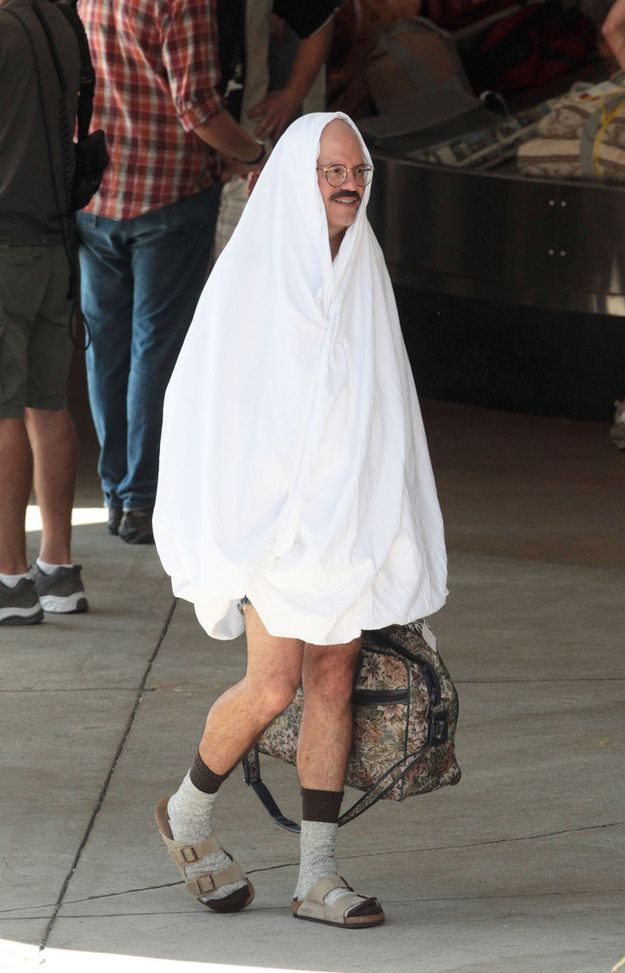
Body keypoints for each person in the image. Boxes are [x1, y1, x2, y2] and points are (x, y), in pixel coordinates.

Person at [152, 113, 448, 928]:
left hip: (341, 526)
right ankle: (185, 814)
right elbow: (208, 409)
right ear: (294, 178)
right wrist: (241, 531)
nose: (348, 182)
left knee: (331, 680)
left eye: (357, 170)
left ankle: (317, 873)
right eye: (330, 170)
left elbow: (387, 406)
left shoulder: (365, 269)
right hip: (270, 532)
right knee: (272, 682)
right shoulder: (253, 277)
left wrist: (392, 526)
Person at [76, 0, 267, 545]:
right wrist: (257, 153)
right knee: (156, 349)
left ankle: (116, 491)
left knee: (104, 348)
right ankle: (142, 499)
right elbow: (198, 108)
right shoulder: (180, 3)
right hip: (169, 197)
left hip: (98, 196)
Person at [0, 0, 88, 626]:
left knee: (3, 410)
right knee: (47, 403)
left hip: (4, 242)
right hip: (56, 242)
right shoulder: (59, 20)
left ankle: (8, 577)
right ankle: (58, 568)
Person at [213, 0, 338, 256]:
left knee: (244, 278)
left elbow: (317, 22)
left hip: (248, 148)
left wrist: (292, 96)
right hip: (180, 165)